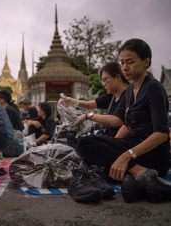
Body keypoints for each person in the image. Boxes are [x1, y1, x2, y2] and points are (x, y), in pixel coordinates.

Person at [71, 39, 170, 203]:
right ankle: (138, 175)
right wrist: (109, 146)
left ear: (146, 62)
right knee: (85, 143)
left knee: (98, 159)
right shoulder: (130, 90)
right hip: (132, 146)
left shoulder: (153, 88)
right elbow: (128, 125)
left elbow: (161, 134)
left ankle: (137, 172)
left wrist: (125, 155)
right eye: (122, 62)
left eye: (130, 62)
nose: (125, 67)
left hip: (153, 153)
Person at [59, 62, 128, 136]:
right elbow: (89, 105)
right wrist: (71, 101)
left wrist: (88, 116)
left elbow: (116, 121)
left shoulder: (129, 95)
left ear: (118, 77)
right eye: (102, 81)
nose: (103, 84)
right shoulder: (111, 97)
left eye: (105, 79)